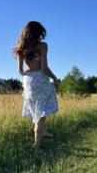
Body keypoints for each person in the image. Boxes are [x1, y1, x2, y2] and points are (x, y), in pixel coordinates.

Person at [13, 21, 59, 151]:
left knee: (36, 109)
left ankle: (42, 132)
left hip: (28, 81)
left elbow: (20, 71)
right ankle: (36, 146)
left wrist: (28, 73)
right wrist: (55, 78)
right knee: (42, 112)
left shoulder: (20, 48)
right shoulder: (43, 46)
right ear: (38, 33)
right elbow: (44, 68)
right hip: (40, 79)